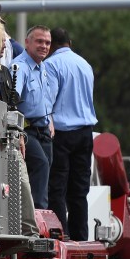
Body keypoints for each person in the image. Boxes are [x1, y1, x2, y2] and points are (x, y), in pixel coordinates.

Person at [44, 27, 98, 241]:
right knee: (79, 190)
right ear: (70, 43)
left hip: (63, 133)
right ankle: (80, 237)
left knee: (57, 188)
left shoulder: (51, 64)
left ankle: (61, 236)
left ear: (52, 45)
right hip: (85, 132)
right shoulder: (85, 64)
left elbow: (49, 100)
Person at [10, 25, 53, 209]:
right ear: (27, 43)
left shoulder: (41, 66)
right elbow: (12, 102)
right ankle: (37, 216)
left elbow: (43, 100)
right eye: (39, 41)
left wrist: (50, 120)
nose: (44, 46)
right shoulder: (19, 67)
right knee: (40, 165)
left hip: (43, 130)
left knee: (45, 173)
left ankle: (40, 213)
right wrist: (17, 132)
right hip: (26, 130)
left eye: (48, 43)